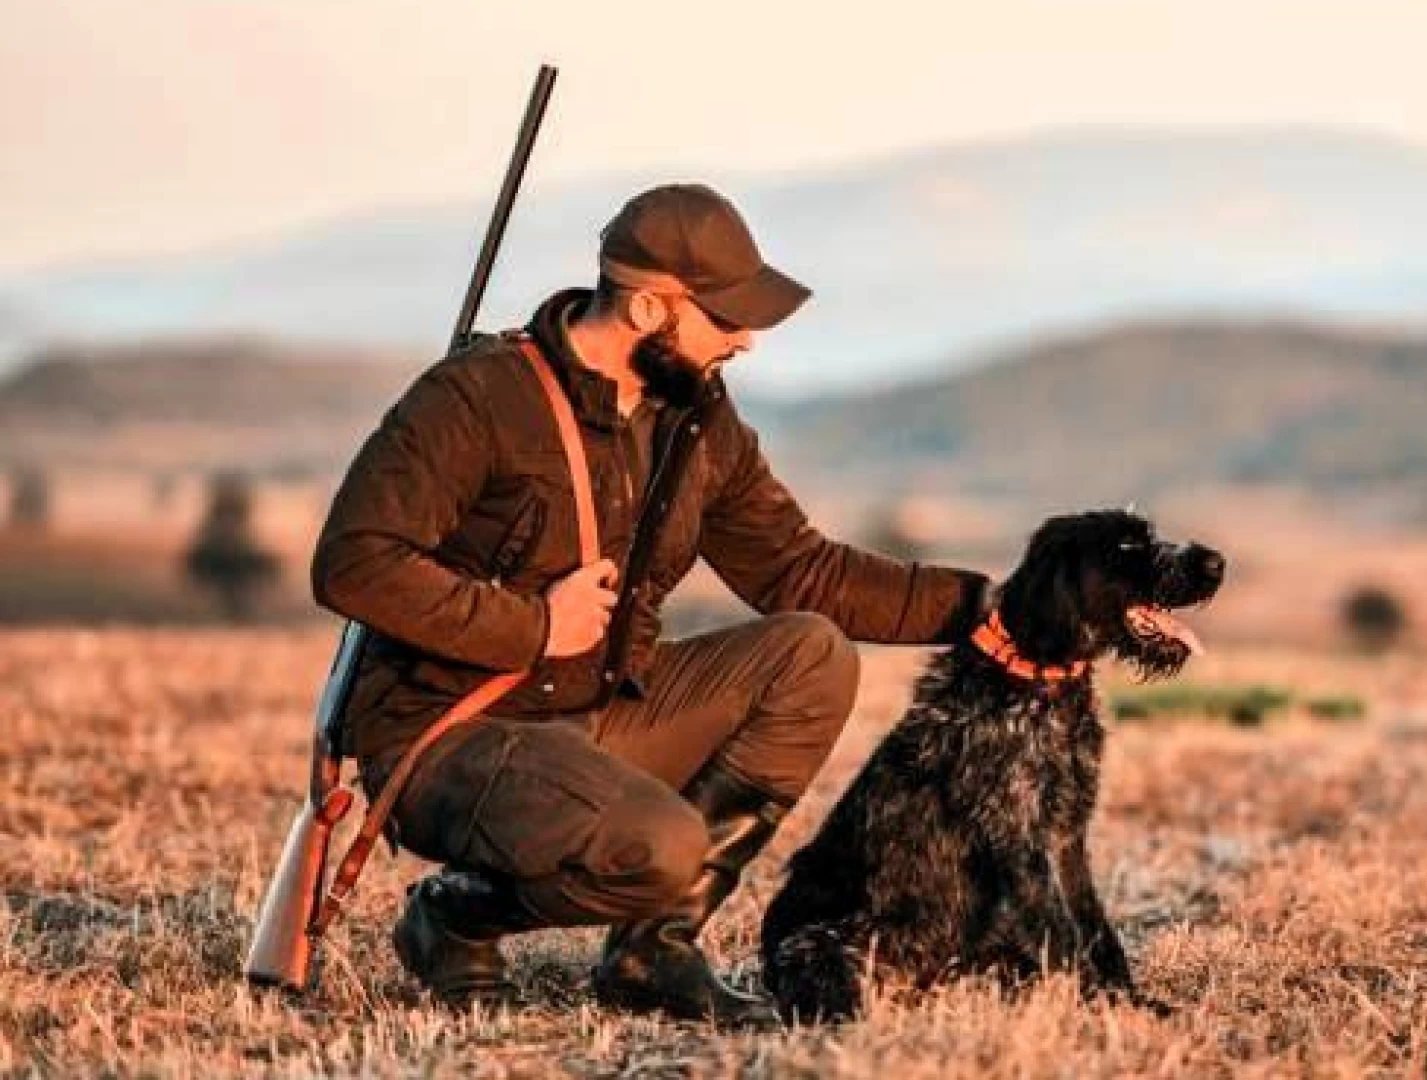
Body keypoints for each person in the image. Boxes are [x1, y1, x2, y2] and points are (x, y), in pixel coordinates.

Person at [311, 183, 989, 1027]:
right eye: (724, 316)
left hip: (591, 714)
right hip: (449, 733)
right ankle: (455, 914)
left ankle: (651, 951)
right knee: (665, 848)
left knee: (811, 654)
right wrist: (533, 625)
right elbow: (353, 565)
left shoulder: (695, 420)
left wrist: (989, 608)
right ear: (646, 309)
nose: (744, 338)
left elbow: (802, 572)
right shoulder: (476, 398)